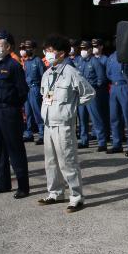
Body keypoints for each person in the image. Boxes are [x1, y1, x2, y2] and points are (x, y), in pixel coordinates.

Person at [38, 36, 95, 213]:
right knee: (51, 161)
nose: (47, 54)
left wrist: (71, 107)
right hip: (48, 123)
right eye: (46, 50)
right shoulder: (47, 73)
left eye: (50, 51)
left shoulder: (71, 72)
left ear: (62, 53)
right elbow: (43, 94)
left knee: (67, 161)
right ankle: (55, 193)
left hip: (63, 124)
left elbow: (88, 93)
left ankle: (76, 196)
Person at [0, 30, 30, 199]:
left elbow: (22, 91)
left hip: (9, 111)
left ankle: (23, 186)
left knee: (15, 149)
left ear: (8, 46)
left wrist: (13, 106)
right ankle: (2, 183)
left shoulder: (13, 66)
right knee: (1, 149)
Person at [75, 40, 107, 151]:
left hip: (91, 93)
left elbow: (101, 78)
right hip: (81, 94)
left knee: (95, 118)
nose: (82, 51)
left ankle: (102, 142)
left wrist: (93, 88)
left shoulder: (94, 61)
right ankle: (84, 140)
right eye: (81, 49)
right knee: (82, 119)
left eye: (85, 49)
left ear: (89, 50)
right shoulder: (80, 61)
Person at [22, 39, 46, 145]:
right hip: (27, 89)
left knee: (37, 112)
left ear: (34, 49)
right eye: (26, 48)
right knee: (28, 113)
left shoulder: (38, 61)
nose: (27, 50)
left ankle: (42, 134)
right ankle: (29, 134)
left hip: (35, 88)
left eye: (29, 48)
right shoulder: (26, 62)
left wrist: (43, 91)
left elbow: (43, 77)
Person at [91, 38, 110, 139]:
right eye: (93, 46)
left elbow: (107, 74)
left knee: (104, 111)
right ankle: (95, 132)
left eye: (96, 46)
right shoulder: (91, 59)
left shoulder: (105, 59)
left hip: (102, 89)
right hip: (94, 89)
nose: (94, 48)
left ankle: (106, 133)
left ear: (101, 47)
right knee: (95, 112)